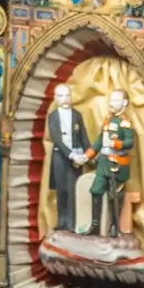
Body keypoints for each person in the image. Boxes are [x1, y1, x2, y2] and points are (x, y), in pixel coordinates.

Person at [86, 87, 136, 240]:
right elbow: (100, 141)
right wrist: (88, 155)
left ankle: (114, 226)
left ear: (124, 102)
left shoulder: (125, 123)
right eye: (111, 99)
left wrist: (115, 143)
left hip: (117, 166)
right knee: (96, 191)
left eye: (115, 100)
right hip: (103, 164)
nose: (111, 103)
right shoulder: (107, 119)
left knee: (114, 196)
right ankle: (94, 225)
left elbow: (130, 142)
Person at [45, 81, 88, 233]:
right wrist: (70, 155)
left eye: (67, 95)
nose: (64, 98)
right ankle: (61, 221)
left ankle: (72, 222)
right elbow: (56, 138)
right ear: (55, 98)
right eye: (61, 95)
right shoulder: (53, 116)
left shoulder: (77, 115)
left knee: (73, 189)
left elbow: (83, 136)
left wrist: (88, 154)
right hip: (60, 156)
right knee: (61, 189)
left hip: (76, 157)